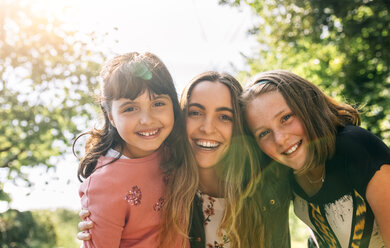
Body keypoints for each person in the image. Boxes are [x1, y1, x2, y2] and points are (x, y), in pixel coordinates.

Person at [78, 71, 292, 248]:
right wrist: (99, 219)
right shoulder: (168, 185)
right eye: (196, 113)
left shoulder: (268, 182)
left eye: (224, 117)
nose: (207, 128)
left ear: (238, 127)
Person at [242, 70, 390, 247]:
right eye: (264, 133)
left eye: (286, 118)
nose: (280, 139)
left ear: (307, 107)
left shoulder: (356, 147)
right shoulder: (283, 171)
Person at [74, 52, 199, 248]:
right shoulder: (104, 184)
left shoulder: (176, 151)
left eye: (158, 103)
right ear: (111, 117)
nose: (147, 119)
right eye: (130, 108)